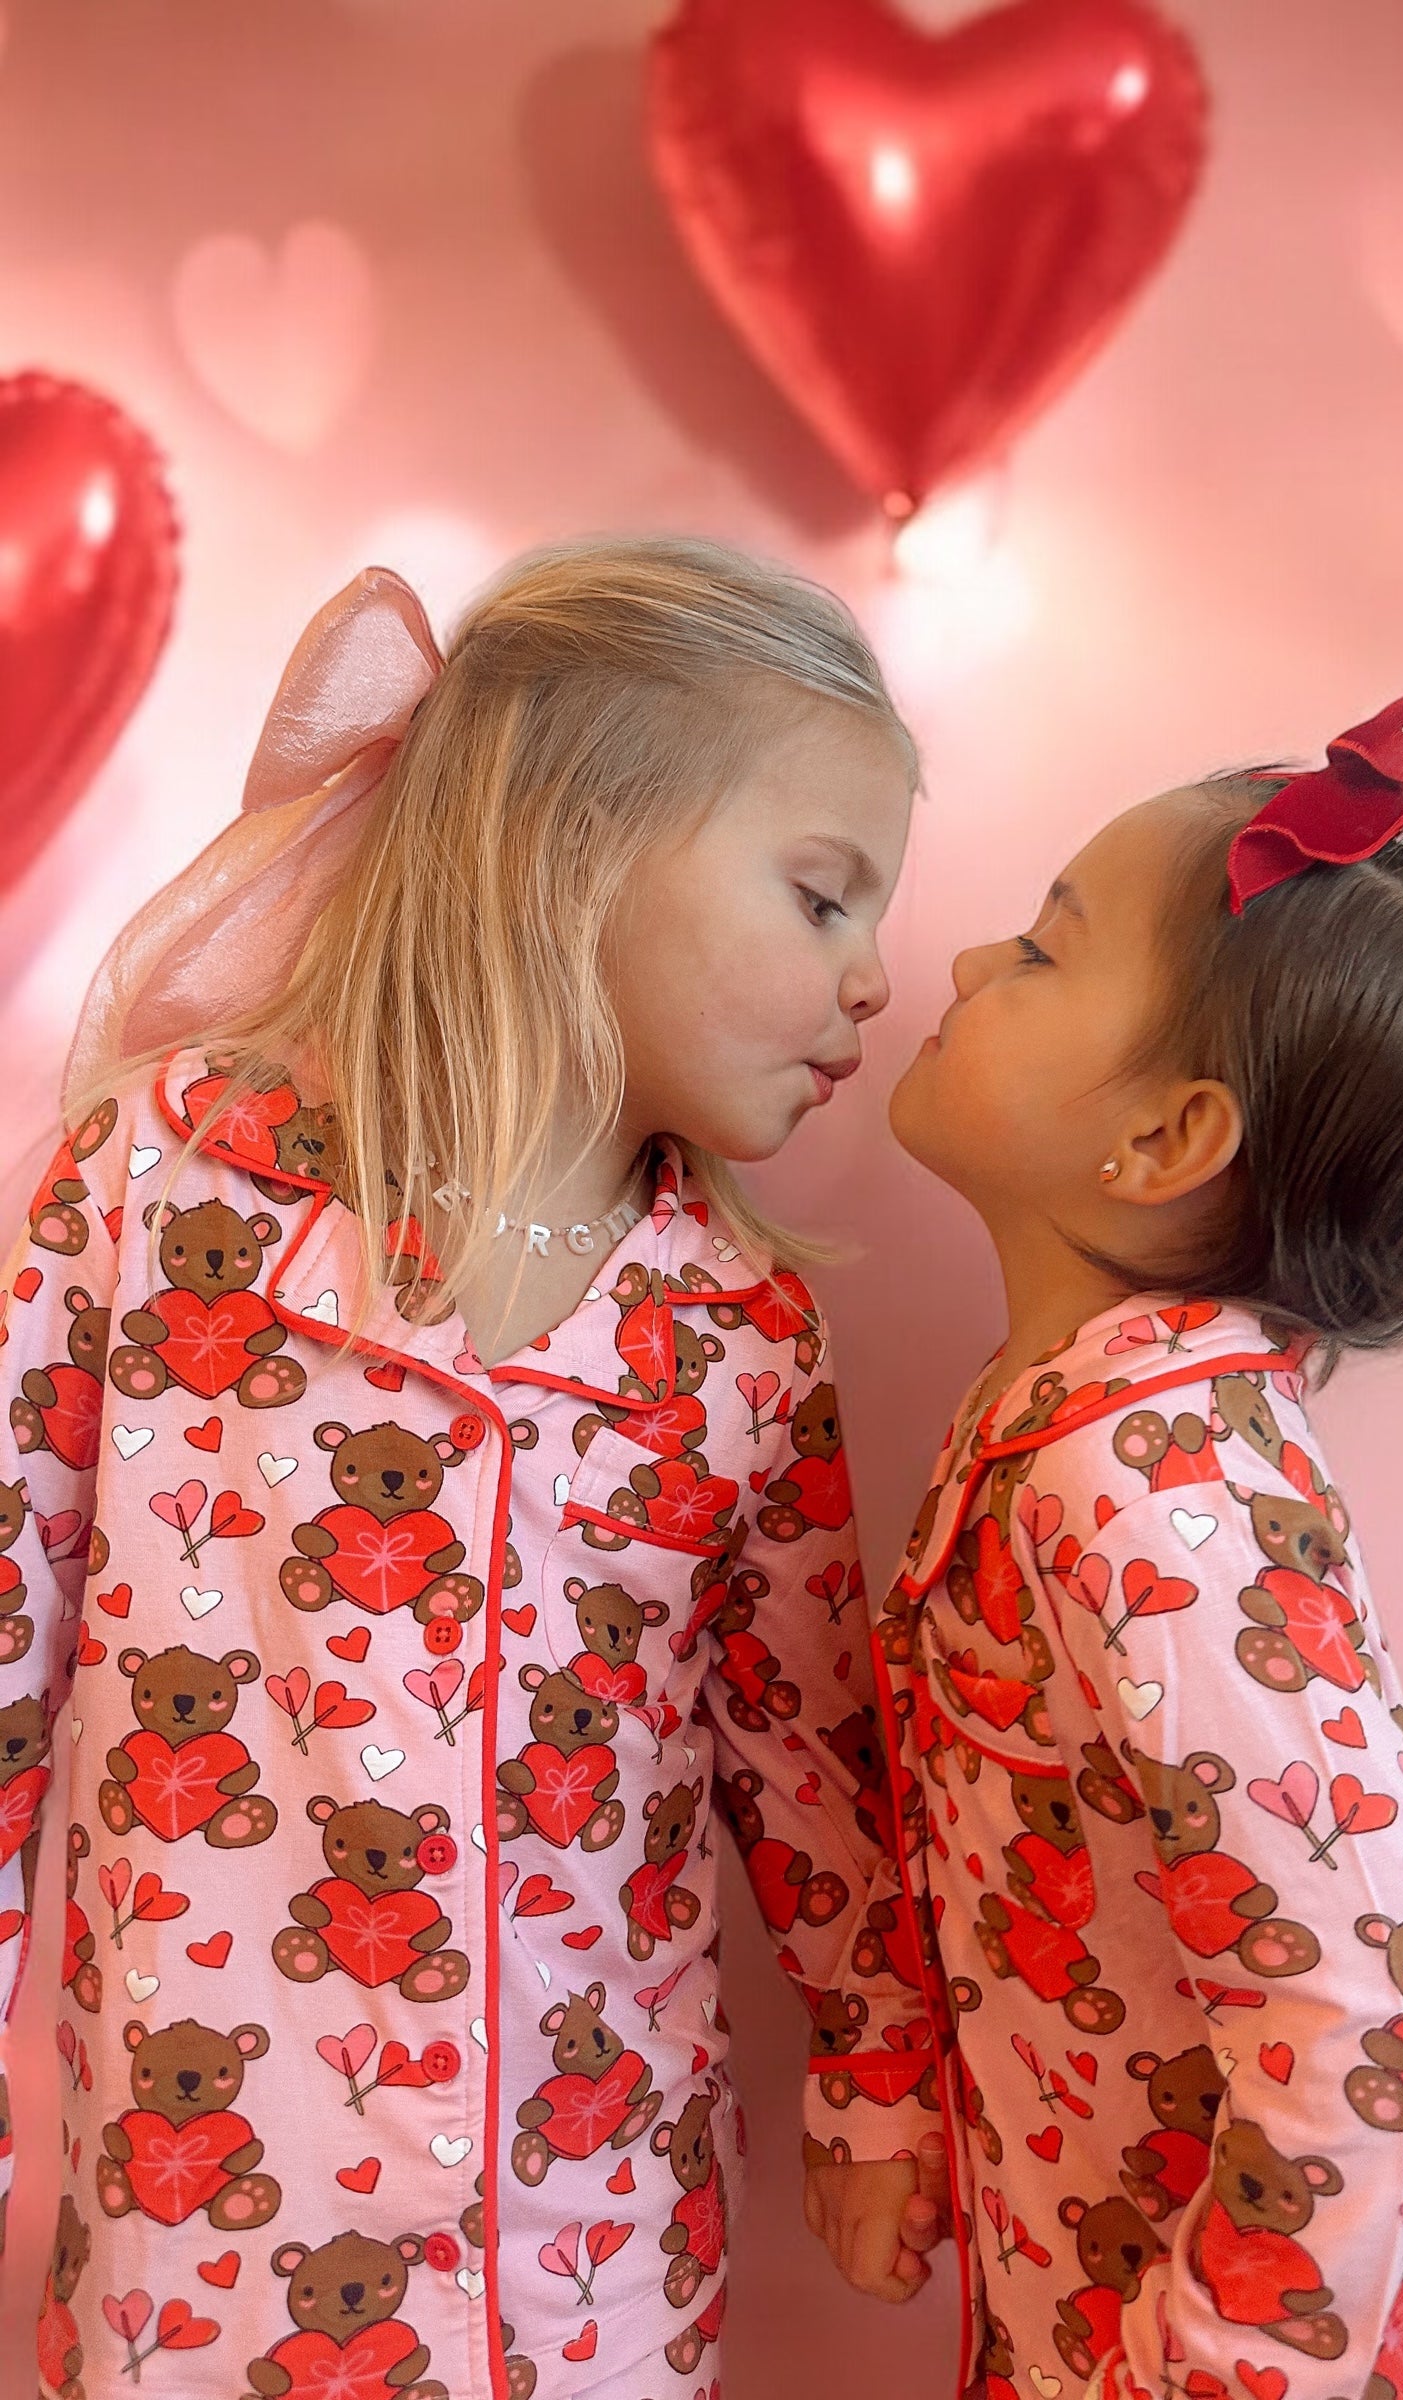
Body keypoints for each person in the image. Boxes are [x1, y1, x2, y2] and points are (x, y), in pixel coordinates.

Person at [0, 538, 945, 2400]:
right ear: (574, 838)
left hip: (589, 2274)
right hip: (206, 2260)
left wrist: (878, 2069)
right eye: (823, 897)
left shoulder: (738, 1335)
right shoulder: (155, 1191)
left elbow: (808, 1756)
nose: (875, 980)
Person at [843, 687, 1403, 2399]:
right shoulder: (1063, 1419)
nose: (963, 962)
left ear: (1166, 1140)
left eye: (1043, 950)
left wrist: (1224, 2362)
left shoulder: (1145, 1489)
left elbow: (1379, 2001)